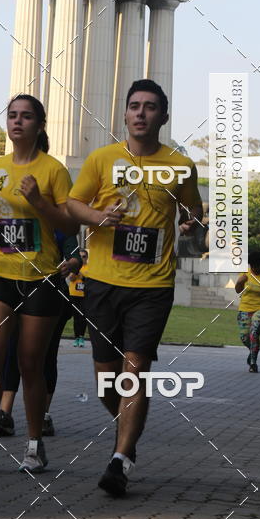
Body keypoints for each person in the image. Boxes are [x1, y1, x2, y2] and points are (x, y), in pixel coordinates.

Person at [67, 79, 202, 497]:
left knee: (134, 372)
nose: (140, 113)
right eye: (134, 106)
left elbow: (194, 209)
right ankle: (126, 429)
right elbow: (73, 204)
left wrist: (191, 222)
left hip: (152, 285)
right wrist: (97, 216)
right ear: (124, 115)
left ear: (164, 116)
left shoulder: (180, 165)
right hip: (103, 282)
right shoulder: (101, 159)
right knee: (107, 381)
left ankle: (120, 460)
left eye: (149, 107)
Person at [0, 95, 77, 474]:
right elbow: (2, 221)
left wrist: (39, 203)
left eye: (26, 117)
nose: (17, 122)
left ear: (40, 125)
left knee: (30, 364)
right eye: (12, 116)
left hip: (41, 277)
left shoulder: (54, 170)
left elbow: (70, 225)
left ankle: (34, 445)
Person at [0, 235, 83, 438]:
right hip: (19, 293)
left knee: (45, 355)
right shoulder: (20, 220)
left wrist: (69, 264)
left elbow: (76, 257)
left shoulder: (58, 223)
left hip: (52, 296)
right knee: (13, 350)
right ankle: (4, 413)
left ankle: (43, 414)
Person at [69, 249, 89, 347]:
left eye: (84, 256)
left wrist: (82, 277)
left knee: (83, 317)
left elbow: (90, 281)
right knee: (76, 318)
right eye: (80, 256)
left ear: (87, 258)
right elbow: (70, 278)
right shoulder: (75, 267)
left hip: (85, 296)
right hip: (74, 295)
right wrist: (74, 273)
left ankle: (81, 337)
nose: (81, 258)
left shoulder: (89, 268)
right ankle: (76, 338)